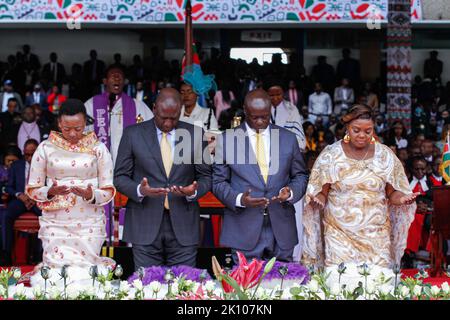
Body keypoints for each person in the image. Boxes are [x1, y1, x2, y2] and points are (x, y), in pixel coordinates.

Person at [302, 104, 418, 272]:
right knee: (341, 280)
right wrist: (318, 198)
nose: (362, 135)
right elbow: (322, 190)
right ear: (347, 128)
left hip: (376, 233)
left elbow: (392, 192)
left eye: (368, 131)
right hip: (339, 232)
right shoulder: (331, 155)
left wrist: (401, 198)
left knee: (377, 281)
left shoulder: (384, 155)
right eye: (356, 130)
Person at [114, 88, 212, 268]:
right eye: (163, 118)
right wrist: (139, 190)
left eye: (173, 118)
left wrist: (193, 191)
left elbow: (206, 176)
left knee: (184, 287)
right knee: (146, 288)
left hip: (183, 223)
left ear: (180, 110)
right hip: (144, 222)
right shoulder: (133, 134)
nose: (168, 123)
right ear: (153, 109)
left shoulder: (196, 135)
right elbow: (120, 177)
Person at [26, 99, 116, 284]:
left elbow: (108, 191)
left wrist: (90, 195)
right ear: (59, 123)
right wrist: (50, 191)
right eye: (67, 129)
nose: (73, 134)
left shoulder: (98, 149)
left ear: (85, 123)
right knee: (55, 275)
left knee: (87, 275)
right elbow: (32, 189)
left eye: (79, 128)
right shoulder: (45, 148)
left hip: (89, 223)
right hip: (55, 222)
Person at [212, 89, 308, 263]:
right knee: (245, 288)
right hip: (243, 228)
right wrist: (240, 199)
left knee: (282, 286)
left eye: (264, 116)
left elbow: (300, 175)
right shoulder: (226, 140)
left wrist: (291, 192)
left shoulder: (288, 138)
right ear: (244, 111)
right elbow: (218, 181)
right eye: (254, 117)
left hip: (281, 230)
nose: (260, 122)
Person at [85, 65, 153, 165]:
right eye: (113, 76)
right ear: (105, 81)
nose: (117, 78)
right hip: (97, 164)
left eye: (120, 77)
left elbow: (151, 130)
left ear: (125, 81)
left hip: (128, 165)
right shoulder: (91, 104)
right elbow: (82, 131)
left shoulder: (137, 105)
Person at [4, 139, 41, 265]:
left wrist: (34, 197)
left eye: (32, 154)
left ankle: (39, 255)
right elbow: (9, 187)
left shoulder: (45, 166)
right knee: (6, 216)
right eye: (27, 154)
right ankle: (7, 254)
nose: (30, 158)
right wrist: (19, 195)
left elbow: (48, 186)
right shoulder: (16, 166)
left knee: (48, 216)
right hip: (20, 200)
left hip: (37, 200)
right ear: (23, 153)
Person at [267, 83, 306, 151]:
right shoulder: (260, 109)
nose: (275, 98)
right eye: (272, 95)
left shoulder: (292, 109)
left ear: (283, 94)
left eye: (278, 94)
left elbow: (297, 135)